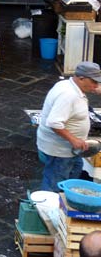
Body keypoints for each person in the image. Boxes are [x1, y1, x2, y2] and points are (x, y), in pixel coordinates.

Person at [37, 62, 101, 192]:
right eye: (94, 82)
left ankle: (64, 197)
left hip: (71, 150)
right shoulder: (68, 95)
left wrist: (95, 88)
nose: (96, 85)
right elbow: (54, 123)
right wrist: (74, 140)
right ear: (81, 78)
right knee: (55, 183)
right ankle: (50, 207)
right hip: (60, 151)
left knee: (74, 172)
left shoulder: (68, 84)